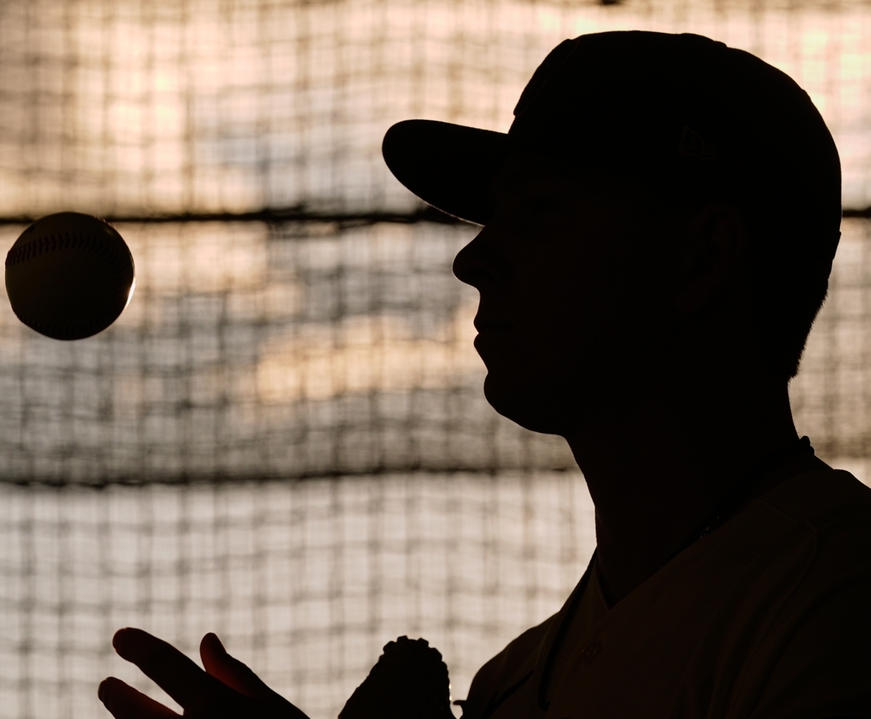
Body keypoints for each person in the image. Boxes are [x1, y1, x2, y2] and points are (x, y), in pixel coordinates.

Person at [97, 30, 871, 719]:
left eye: (536, 215)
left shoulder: (838, 593)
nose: (473, 258)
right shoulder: (512, 678)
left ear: (700, 256)